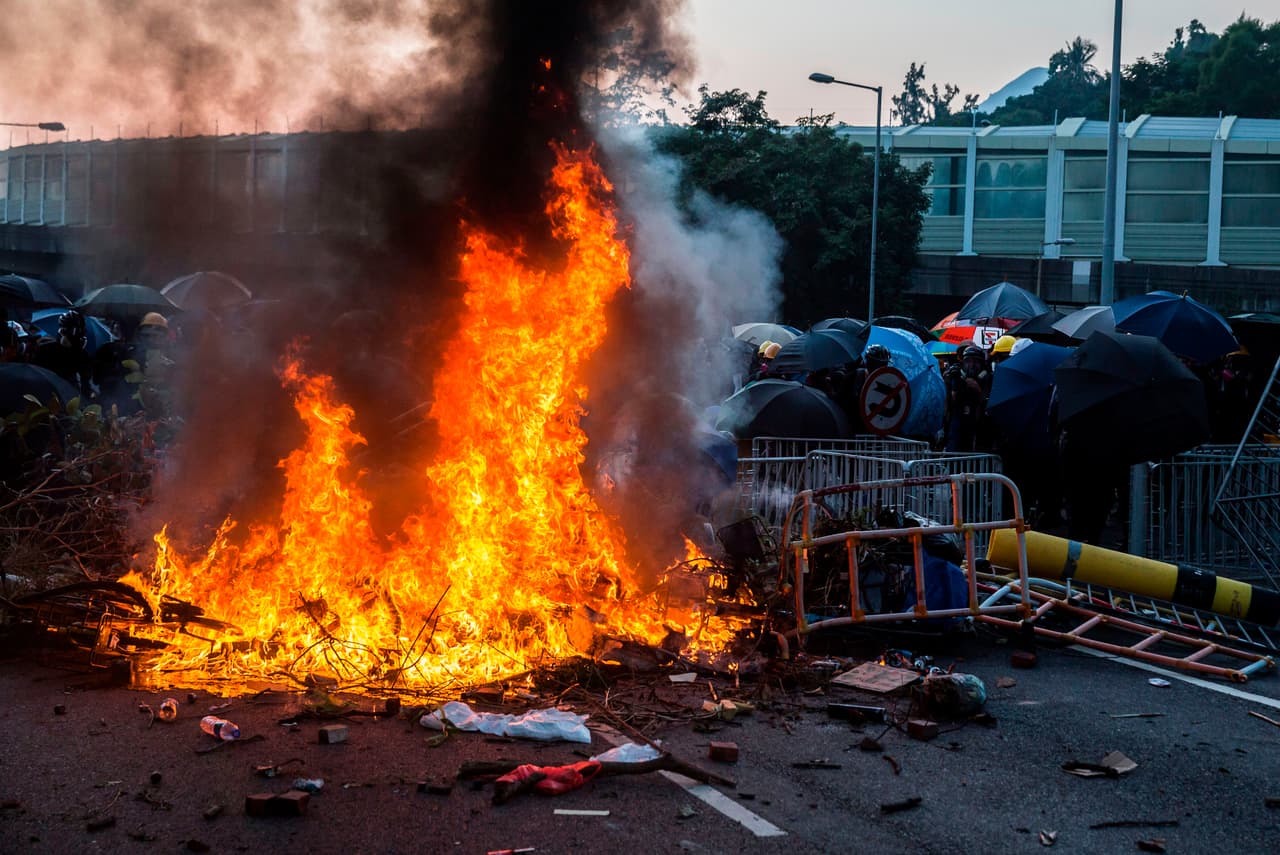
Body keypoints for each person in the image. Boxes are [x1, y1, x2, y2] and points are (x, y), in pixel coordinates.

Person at [32, 309, 94, 397]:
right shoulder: (46, 348)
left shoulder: (81, 354)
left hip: (65, 391)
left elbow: (85, 382)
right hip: (50, 389)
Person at [944, 345, 991, 452]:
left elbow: (987, 404)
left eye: (976, 362)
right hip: (956, 432)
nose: (972, 366)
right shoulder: (955, 376)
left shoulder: (988, 379)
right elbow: (948, 403)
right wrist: (951, 384)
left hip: (978, 432)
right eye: (968, 361)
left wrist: (978, 390)